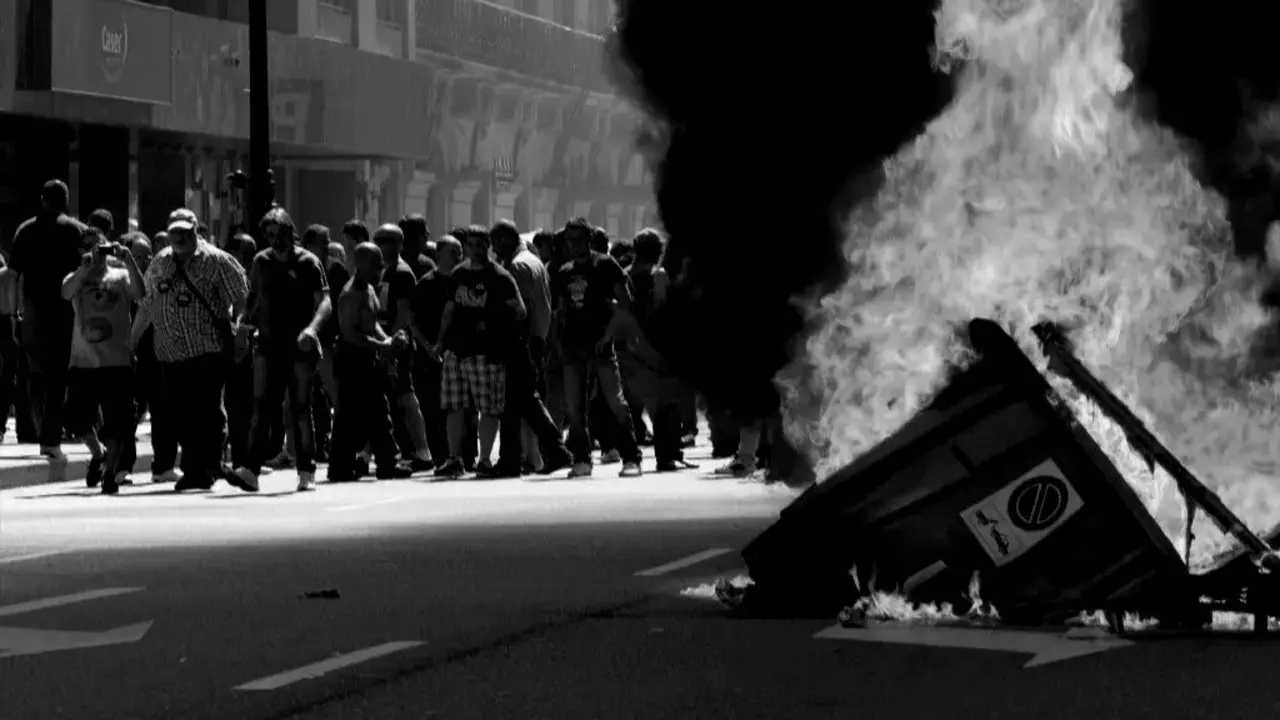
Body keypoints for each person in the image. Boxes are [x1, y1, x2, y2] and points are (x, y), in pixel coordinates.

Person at [142, 208, 253, 492]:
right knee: (180, 413)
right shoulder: (160, 262)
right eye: (174, 233)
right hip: (169, 353)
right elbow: (148, 303)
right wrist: (132, 340)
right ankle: (202, 466)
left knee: (206, 412)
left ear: (195, 231)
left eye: (184, 232)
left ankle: (202, 469)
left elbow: (242, 299)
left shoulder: (217, 261)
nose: (178, 238)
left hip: (208, 350)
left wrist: (240, 331)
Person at [232, 208, 331, 492]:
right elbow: (252, 296)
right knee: (261, 407)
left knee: (299, 408)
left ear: (291, 231)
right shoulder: (262, 262)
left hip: (300, 344)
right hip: (267, 344)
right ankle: (250, 471)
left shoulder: (309, 263)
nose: (276, 240)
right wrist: (243, 320)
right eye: (271, 235)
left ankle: (306, 469)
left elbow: (324, 301)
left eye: (281, 234)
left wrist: (312, 329)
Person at [428, 228, 526, 477]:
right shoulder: (459, 273)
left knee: (489, 407)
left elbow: (520, 311)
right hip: (456, 350)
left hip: (486, 351)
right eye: (470, 245)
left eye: (480, 244)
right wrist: (440, 342)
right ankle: (454, 459)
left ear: (488, 246)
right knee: (454, 406)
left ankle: (484, 460)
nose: (475, 249)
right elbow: (449, 309)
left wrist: (493, 321)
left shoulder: (500, 277)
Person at [550, 218, 643, 478]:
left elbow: (625, 301)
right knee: (575, 409)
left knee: (616, 403)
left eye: (579, 239)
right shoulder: (564, 271)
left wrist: (609, 335)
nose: (574, 244)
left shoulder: (605, 264)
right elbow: (560, 311)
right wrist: (557, 343)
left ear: (589, 239)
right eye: (570, 239)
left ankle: (631, 457)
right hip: (572, 347)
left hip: (601, 347)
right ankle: (581, 460)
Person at [61, 228, 145, 494]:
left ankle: (109, 472)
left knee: (118, 422)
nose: (93, 250)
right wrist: (86, 266)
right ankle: (98, 452)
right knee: (75, 418)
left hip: (116, 361)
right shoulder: (77, 276)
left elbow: (140, 292)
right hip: (83, 361)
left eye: (97, 245)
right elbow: (65, 292)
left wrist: (128, 258)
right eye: (86, 246)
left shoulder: (120, 276)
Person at [9, 180, 85, 466]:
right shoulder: (76, 230)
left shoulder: (25, 230)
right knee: (58, 378)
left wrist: (14, 314)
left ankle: (30, 428)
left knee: (30, 373)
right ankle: (50, 438)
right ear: (65, 201)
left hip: (32, 313)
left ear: (42, 200)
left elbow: (13, 276)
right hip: (67, 312)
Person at [490, 221, 571, 476]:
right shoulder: (533, 260)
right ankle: (513, 458)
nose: (493, 249)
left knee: (523, 401)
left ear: (504, 239)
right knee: (517, 403)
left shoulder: (517, 266)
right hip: (535, 340)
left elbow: (519, 311)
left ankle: (551, 452)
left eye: (494, 242)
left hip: (521, 343)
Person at [328, 242, 411, 482]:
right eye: (376, 264)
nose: (381, 268)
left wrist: (390, 340)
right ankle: (343, 467)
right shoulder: (351, 293)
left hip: (366, 360)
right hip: (351, 361)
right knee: (350, 416)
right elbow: (350, 334)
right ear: (362, 264)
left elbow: (372, 323)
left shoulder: (369, 288)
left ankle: (385, 462)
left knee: (376, 413)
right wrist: (383, 346)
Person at [617, 228, 694, 472]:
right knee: (666, 406)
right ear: (657, 251)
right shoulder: (658, 275)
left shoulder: (624, 276)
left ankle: (641, 455)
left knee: (637, 406)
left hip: (629, 351)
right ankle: (667, 457)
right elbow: (666, 312)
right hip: (656, 349)